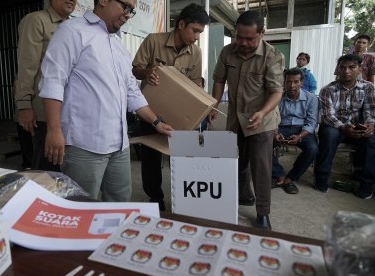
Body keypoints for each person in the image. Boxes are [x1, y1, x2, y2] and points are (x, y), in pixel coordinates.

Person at [38, 0, 173, 202]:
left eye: (132, 11)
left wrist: (156, 122)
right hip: (84, 145)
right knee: (82, 207)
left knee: (120, 206)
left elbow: (132, 93)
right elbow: (52, 81)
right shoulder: (72, 32)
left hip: (119, 146)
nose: (128, 14)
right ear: (103, 1)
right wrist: (54, 130)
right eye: (125, 7)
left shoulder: (119, 49)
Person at [209, 10, 285, 230]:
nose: (242, 42)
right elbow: (218, 80)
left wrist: (262, 113)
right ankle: (244, 196)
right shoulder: (227, 53)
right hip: (236, 119)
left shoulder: (272, 56)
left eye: (249, 38)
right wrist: (213, 105)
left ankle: (263, 213)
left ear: (262, 33)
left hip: (262, 120)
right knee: (237, 162)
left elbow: (276, 92)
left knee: (260, 167)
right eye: (239, 37)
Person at [131, 3, 209, 211]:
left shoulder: (196, 52)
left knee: (182, 155)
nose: (196, 36)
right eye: (195, 30)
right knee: (151, 158)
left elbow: (195, 82)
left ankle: (184, 196)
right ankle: (155, 198)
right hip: (151, 112)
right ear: (181, 24)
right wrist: (148, 72)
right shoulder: (153, 41)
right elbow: (135, 69)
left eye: (200, 32)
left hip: (180, 114)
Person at [13, 0, 77, 170]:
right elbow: (27, 66)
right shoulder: (36, 20)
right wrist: (24, 105)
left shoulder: (74, 26)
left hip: (67, 111)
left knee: (64, 169)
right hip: (41, 113)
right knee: (45, 169)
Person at [314, 54, 375, 199]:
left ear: (359, 69)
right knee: (329, 135)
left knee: (372, 139)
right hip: (336, 127)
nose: (346, 71)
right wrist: (343, 127)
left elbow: (370, 111)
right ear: (338, 69)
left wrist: (370, 126)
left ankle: (365, 185)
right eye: (342, 67)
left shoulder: (368, 88)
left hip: (358, 127)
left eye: (351, 67)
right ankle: (321, 179)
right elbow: (327, 116)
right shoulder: (328, 90)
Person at [272, 68, 318, 194]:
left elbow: (312, 122)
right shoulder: (277, 97)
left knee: (312, 149)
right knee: (262, 144)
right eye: (288, 82)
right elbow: (273, 117)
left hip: (302, 129)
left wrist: (299, 136)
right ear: (284, 82)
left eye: (296, 82)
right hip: (281, 127)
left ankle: (291, 178)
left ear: (302, 83)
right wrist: (276, 133)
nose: (292, 85)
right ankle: (279, 175)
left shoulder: (311, 98)